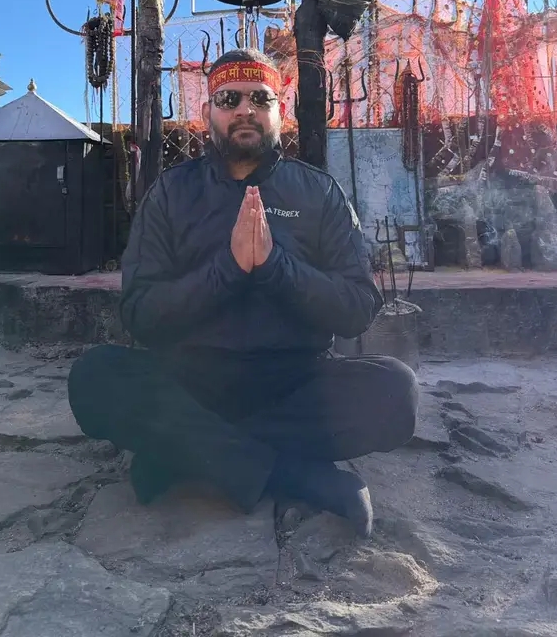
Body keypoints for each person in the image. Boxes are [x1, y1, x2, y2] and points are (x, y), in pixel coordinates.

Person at [68, 48, 418, 537]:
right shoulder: (171, 193)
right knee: (94, 378)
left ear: (281, 110)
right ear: (207, 111)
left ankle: (189, 454)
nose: (245, 110)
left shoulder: (319, 193)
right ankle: (291, 473)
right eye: (229, 99)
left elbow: (357, 309)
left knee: (396, 392)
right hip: (191, 382)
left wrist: (275, 267)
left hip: (294, 385)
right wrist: (228, 270)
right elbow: (140, 314)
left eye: (260, 99)